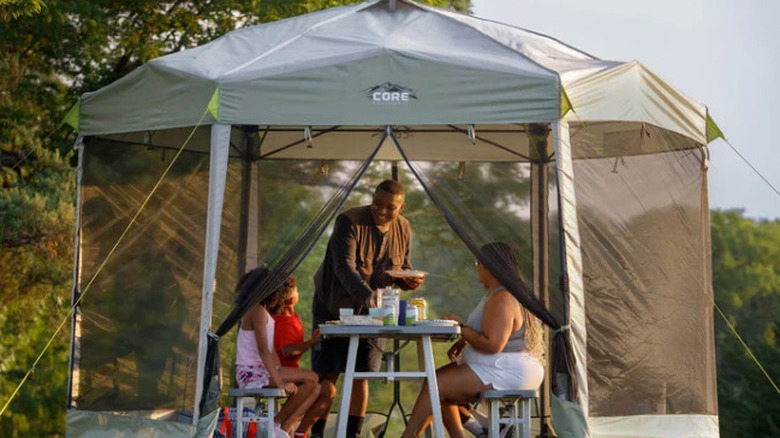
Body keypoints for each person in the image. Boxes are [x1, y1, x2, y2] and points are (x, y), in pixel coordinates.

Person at [311, 179, 424, 438]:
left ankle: (353, 434)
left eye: (390, 207)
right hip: (333, 306)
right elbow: (343, 267)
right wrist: (367, 295)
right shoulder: (349, 221)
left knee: (361, 374)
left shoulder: (404, 227)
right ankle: (315, 431)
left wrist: (409, 280)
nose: (381, 211)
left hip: (375, 313)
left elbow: (402, 268)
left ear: (401, 207)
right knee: (328, 373)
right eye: (377, 203)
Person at [401, 242, 545, 438]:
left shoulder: (503, 297)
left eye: (477, 263)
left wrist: (462, 329)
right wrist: (465, 340)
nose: (476, 268)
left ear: (488, 267)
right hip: (504, 364)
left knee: (436, 385)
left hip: (510, 370)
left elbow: (493, 344)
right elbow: (493, 332)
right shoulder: (498, 293)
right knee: (438, 384)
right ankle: (480, 430)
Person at [235, 268, 323, 438]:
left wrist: (280, 372)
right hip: (251, 373)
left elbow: (271, 350)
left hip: (262, 371)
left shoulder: (264, 313)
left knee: (314, 384)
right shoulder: (256, 311)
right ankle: (275, 423)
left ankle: (282, 427)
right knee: (311, 378)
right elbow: (263, 349)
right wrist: (279, 381)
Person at [271, 275, 336, 438]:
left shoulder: (293, 317)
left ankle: (295, 431)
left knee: (326, 389)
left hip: (292, 370)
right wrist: (312, 342)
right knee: (323, 388)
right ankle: (281, 425)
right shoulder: (283, 321)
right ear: (292, 299)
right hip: (282, 371)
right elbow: (287, 351)